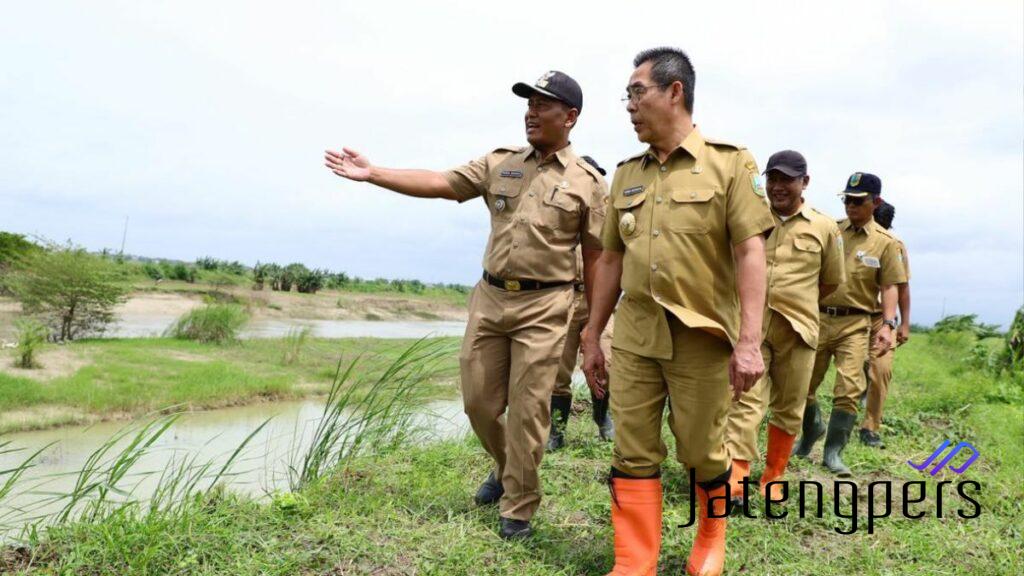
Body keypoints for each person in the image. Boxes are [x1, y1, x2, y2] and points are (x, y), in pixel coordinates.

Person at [324, 71, 607, 540]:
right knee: (478, 403)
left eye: (543, 105)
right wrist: (373, 173)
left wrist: (595, 326)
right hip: (491, 300)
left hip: (547, 304)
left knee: (529, 410)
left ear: (570, 117)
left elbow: (596, 256)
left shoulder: (588, 182)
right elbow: (440, 181)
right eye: (528, 104)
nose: (531, 112)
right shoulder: (500, 163)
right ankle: (505, 466)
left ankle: (519, 505)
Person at [581, 47, 774, 576]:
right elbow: (612, 259)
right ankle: (634, 560)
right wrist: (592, 334)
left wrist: (750, 341)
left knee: (703, 452)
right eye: (627, 95)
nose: (628, 105)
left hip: (702, 337)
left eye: (636, 92)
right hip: (638, 335)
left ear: (675, 92)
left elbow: (750, 252)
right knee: (632, 448)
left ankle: (711, 537)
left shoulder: (730, 163)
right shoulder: (625, 175)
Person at [723, 150, 845, 505]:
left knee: (790, 406)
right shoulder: (749, 217)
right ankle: (738, 475)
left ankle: (774, 474)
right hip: (752, 326)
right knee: (743, 400)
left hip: (799, 329)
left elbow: (831, 281)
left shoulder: (824, 227)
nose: (777, 187)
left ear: (804, 182)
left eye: (787, 180)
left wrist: (798, 301)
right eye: (772, 179)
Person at [792, 173, 907, 476]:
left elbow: (892, 286)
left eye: (858, 201)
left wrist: (888, 324)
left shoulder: (885, 243)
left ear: (876, 202)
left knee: (848, 387)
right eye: (847, 200)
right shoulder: (831, 231)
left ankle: (833, 452)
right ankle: (811, 429)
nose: (851, 206)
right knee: (801, 383)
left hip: (855, 323)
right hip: (817, 317)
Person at [548, 156, 615, 450]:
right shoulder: (558, 222)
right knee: (556, 371)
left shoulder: (612, 224)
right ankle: (556, 431)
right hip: (562, 299)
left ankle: (603, 420)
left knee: (606, 363)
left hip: (598, 301)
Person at [860, 199, 911, 447]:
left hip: (883, 319)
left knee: (881, 371)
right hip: (854, 317)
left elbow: (902, 287)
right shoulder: (850, 238)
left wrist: (903, 324)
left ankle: (870, 428)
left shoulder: (895, 246)